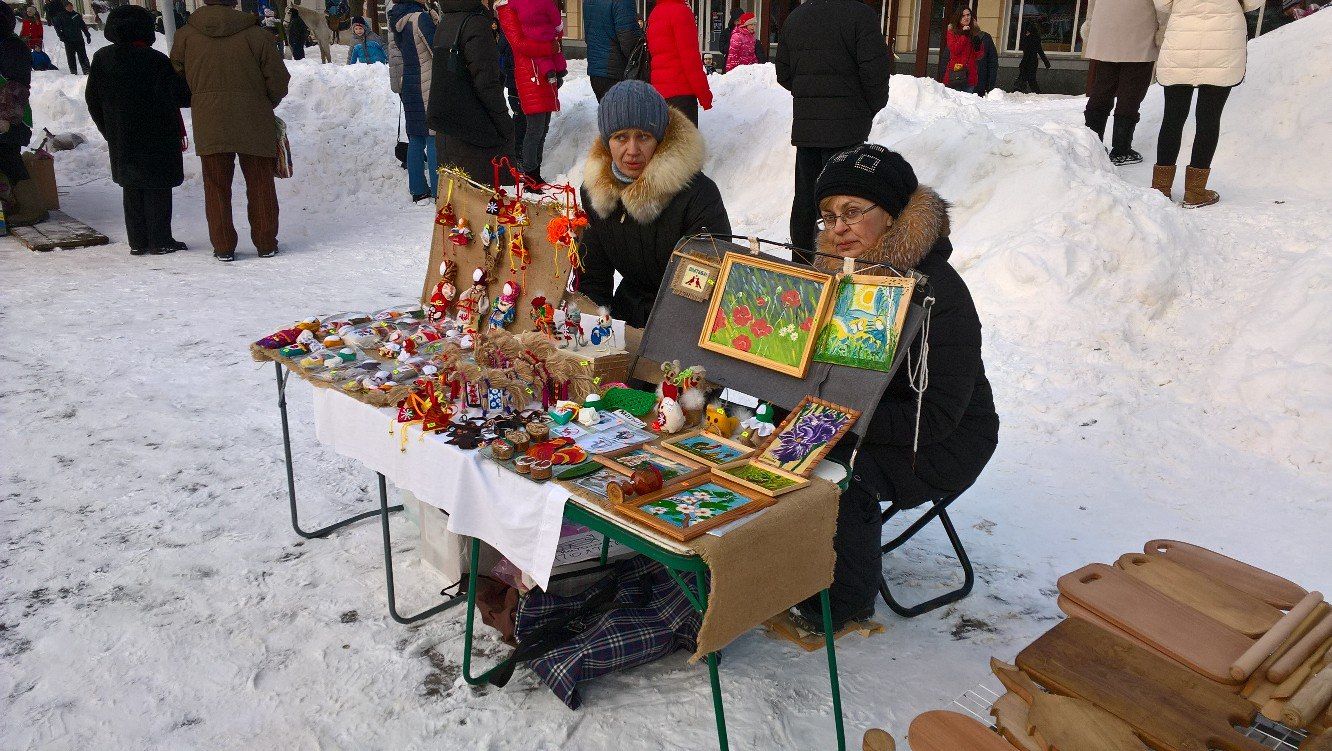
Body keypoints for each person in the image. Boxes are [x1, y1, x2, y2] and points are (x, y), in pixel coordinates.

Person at [790, 143, 999, 633]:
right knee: (771, 446)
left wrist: (833, 426)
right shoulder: (834, 277)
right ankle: (786, 565)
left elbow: (939, 415)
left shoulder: (940, 294)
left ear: (893, 216)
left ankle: (845, 602)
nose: (837, 227)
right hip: (858, 418)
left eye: (853, 212)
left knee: (838, 474)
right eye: (827, 215)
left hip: (943, 439)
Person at [578, 80, 730, 328]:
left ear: (660, 138)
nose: (632, 150)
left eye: (644, 137)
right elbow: (594, 279)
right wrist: (597, 331)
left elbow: (704, 285)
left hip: (687, 323)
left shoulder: (699, 195)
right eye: (621, 137)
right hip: (627, 313)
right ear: (607, 142)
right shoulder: (596, 194)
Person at [171, 0, 290, 261]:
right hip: (254, 117)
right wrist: (264, 102)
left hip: (209, 118)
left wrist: (199, 98)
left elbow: (177, 76)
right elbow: (279, 79)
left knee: (215, 185)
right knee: (260, 182)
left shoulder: (186, 35)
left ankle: (223, 246)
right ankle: (266, 242)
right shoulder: (257, 35)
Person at [774, 0, 890, 263]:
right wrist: (868, 106)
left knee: (806, 198)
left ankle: (802, 261)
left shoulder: (796, 17)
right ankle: (842, 262)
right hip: (847, 126)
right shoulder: (860, 15)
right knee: (846, 201)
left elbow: (784, 73)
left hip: (808, 126)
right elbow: (876, 71)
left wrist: (811, 96)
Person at [86, 5, 191, 256]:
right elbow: (181, 96)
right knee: (158, 187)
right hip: (157, 135)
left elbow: (92, 99)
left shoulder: (102, 58)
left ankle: (138, 241)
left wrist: (109, 130)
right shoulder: (155, 60)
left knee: (131, 187)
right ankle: (160, 240)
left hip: (121, 135)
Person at [1152, 0, 1261, 207]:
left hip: (1182, 39)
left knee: (1172, 117)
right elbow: (1253, 3)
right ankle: (1195, 192)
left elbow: (1163, 4)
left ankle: (1161, 188)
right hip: (1224, 40)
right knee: (1208, 119)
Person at [428, 0, 513, 180]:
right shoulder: (476, 24)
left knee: (455, 203)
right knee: (482, 205)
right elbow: (486, 83)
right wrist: (505, 125)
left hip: (447, 129)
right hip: (475, 133)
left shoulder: (446, 21)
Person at [1080, 0, 1159, 165]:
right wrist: (1164, 30)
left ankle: (1092, 144)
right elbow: (1163, 5)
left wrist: (1091, 23)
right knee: (1131, 91)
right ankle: (1121, 149)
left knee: (1102, 87)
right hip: (1139, 29)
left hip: (1105, 29)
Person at [494, 0, 560, 182]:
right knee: (534, 128)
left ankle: (535, 172)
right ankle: (530, 174)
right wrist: (549, 47)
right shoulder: (507, 9)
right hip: (530, 74)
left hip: (544, 72)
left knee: (543, 127)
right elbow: (520, 44)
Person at [388, 0, 439, 201]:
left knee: (416, 138)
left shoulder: (396, 19)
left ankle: (418, 190)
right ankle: (437, 190)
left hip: (409, 82)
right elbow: (437, 51)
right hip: (427, 82)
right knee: (434, 137)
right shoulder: (421, 18)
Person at [0, 2, 45, 226]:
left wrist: (6, 118)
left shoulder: (10, 47)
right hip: (10, 116)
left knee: (11, 161)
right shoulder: (10, 45)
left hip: (8, 117)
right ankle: (11, 206)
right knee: (8, 160)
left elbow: (13, 86)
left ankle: (31, 208)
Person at [645, 0, 711, 125]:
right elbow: (690, 58)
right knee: (685, 143)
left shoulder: (655, 13)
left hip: (659, 93)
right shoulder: (681, 12)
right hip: (682, 93)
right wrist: (704, 95)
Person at [584, 0, 641, 100]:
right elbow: (629, 41)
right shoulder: (623, 2)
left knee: (607, 113)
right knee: (623, 114)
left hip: (596, 71)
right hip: (617, 72)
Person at [938, 7, 980, 92]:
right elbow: (955, 50)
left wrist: (977, 41)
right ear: (958, 17)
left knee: (968, 104)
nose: (966, 17)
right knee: (955, 103)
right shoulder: (952, 32)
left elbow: (979, 55)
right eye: (963, 16)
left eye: (968, 15)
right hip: (956, 74)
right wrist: (964, 35)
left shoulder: (974, 32)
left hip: (970, 75)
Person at [54, 1, 91, 74]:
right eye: (68, 6)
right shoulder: (61, 16)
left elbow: (83, 26)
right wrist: (61, 36)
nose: (70, 7)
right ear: (65, 7)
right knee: (71, 57)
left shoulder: (76, 15)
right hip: (68, 40)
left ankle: (87, 70)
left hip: (79, 39)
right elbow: (57, 27)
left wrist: (87, 35)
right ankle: (73, 71)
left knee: (83, 55)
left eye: (71, 6)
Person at [1013, 21, 1049, 93]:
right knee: (1029, 79)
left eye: (1027, 31)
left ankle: (1019, 92)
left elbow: (1027, 52)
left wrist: (1022, 64)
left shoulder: (1027, 39)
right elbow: (1040, 51)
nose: (1026, 33)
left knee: (1026, 78)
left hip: (1028, 61)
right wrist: (1046, 62)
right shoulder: (1036, 38)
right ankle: (1035, 92)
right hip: (1032, 61)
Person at [974, 26, 998, 96]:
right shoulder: (957, 37)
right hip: (960, 80)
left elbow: (992, 62)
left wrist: (990, 84)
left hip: (979, 81)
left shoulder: (985, 37)